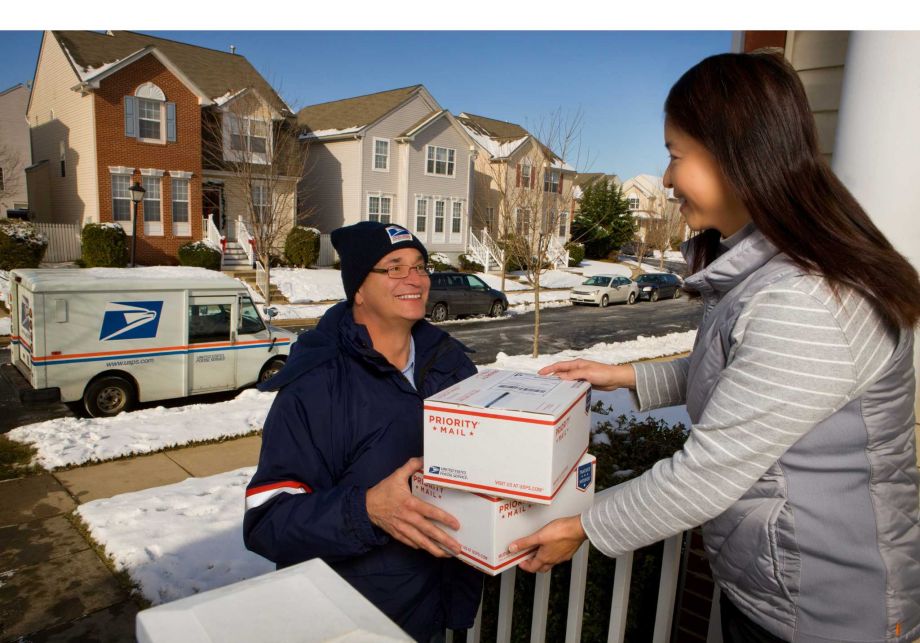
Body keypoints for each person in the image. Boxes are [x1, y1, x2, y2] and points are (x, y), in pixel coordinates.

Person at [509, 52, 920, 643]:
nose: (669, 178)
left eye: (677, 154)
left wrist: (584, 527)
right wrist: (626, 377)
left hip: (831, 611)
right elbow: (748, 374)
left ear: (738, 154)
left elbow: (706, 475)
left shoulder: (807, 299)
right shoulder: (772, 269)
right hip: (777, 589)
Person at [243, 221, 482, 642]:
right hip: (357, 622)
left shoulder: (452, 366)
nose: (415, 278)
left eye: (420, 265)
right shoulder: (316, 386)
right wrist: (366, 510)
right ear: (358, 289)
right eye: (393, 267)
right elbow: (268, 521)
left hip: (440, 607)